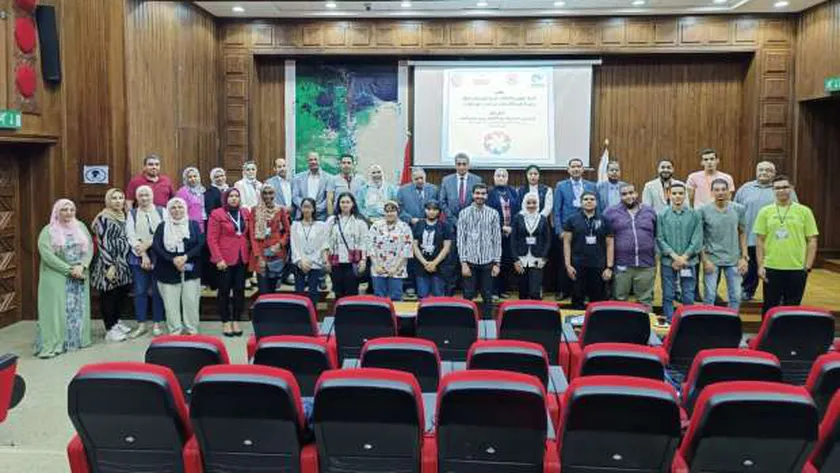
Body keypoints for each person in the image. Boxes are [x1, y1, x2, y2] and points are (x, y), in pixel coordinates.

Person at [34, 199, 93, 358]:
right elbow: (47, 256)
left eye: (71, 210)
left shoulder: (80, 227)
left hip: (79, 274)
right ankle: (54, 344)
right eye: (64, 210)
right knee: (55, 311)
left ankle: (76, 341)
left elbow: (90, 248)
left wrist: (82, 265)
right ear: (56, 212)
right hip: (56, 275)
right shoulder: (48, 231)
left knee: (77, 310)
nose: (68, 213)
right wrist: (68, 269)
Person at [735, 161, 798, 301]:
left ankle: (778, 294)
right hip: (751, 236)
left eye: (768, 170)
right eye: (761, 170)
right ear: (756, 171)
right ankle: (747, 290)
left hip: (776, 239)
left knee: (774, 269)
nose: (764, 172)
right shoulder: (745, 188)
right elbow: (736, 210)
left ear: (774, 173)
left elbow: (795, 210)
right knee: (751, 267)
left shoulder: (782, 189)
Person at [754, 175, 818, 315]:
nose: (781, 190)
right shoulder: (765, 212)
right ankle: (768, 336)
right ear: (773, 190)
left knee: (792, 307)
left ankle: (789, 336)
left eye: (784, 187)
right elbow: (759, 241)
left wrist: (807, 266)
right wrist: (760, 265)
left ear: (791, 189)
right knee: (770, 306)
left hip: (797, 268)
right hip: (772, 267)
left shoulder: (804, 211)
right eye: (777, 188)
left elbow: (812, 240)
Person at [152, 197, 204, 335]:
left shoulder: (193, 225)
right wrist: (173, 260)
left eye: (180, 207)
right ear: (168, 210)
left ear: (185, 209)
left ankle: (192, 330)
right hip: (167, 270)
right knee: (171, 305)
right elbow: (157, 247)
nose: (177, 210)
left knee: (191, 302)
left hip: (191, 269)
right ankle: (175, 330)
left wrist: (185, 257)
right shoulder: (162, 226)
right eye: (173, 208)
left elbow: (200, 244)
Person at [603, 184, 658, 308]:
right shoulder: (610, 212)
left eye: (631, 193)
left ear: (636, 193)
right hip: (622, 264)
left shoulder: (649, 211)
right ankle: (620, 327)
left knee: (645, 301)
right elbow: (605, 239)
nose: (628, 196)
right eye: (624, 194)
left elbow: (656, 234)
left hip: (646, 264)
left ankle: (644, 327)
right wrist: (608, 265)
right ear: (620, 196)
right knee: (619, 299)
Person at [90, 188, 133, 343]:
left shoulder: (123, 215)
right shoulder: (104, 218)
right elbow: (104, 243)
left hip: (122, 262)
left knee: (120, 293)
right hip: (109, 262)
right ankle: (109, 329)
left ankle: (116, 322)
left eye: (121, 198)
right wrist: (110, 265)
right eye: (114, 198)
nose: (118, 201)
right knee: (109, 296)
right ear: (108, 200)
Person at [656, 182, 703, 322]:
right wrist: (675, 257)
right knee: (668, 295)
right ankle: (670, 323)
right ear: (669, 195)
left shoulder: (695, 215)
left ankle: (687, 323)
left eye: (681, 193)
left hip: (689, 262)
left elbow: (697, 239)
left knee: (688, 294)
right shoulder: (662, 215)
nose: (677, 196)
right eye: (674, 193)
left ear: (685, 195)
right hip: (668, 262)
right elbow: (660, 238)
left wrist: (684, 258)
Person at [699, 179, 748, 311]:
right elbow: (700, 237)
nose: (720, 192)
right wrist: (704, 260)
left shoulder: (738, 209)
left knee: (736, 296)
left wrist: (744, 257)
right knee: (709, 296)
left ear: (728, 191)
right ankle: (708, 324)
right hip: (712, 259)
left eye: (723, 189)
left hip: (733, 259)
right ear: (712, 192)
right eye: (717, 190)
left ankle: (732, 323)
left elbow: (742, 233)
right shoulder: (703, 210)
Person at [208, 188, 251, 337]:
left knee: (239, 290)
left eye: (236, 196)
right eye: (231, 196)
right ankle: (226, 321)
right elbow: (211, 239)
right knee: (224, 291)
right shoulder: (217, 214)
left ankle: (236, 320)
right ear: (225, 198)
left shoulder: (245, 213)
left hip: (241, 258)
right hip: (224, 259)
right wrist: (218, 258)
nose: (234, 199)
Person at [438, 153, 482, 295]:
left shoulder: (477, 179)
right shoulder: (446, 180)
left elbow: (478, 201)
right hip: (451, 225)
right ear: (455, 165)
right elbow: (442, 202)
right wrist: (454, 220)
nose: (462, 167)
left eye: (464, 164)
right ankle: (449, 291)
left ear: (468, 165)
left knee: (469, 259)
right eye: (459, 164)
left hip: (471, 226)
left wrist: (465, 220)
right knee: (451, 259)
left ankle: (468, 291)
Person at [125, 185, 165, 337]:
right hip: (138, 256)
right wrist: (143, 254)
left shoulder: (162, 211)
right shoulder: (133, 214)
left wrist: (149, 243)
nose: (144, 198)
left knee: (157, 291)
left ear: (152, 196)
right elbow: (130, 235)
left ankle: (157, 324)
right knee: (140, 291)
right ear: (136, 198)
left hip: (159, 255)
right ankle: (141, 324)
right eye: (141, 195)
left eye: (147, 195)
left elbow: (164, 232)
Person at [554, 158, 597, 299]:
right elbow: (557, 210)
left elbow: (598, 208)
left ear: (583, 169)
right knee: (564, 261)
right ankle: (563, 290)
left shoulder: (591, 186)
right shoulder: (561, 186)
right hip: (567, 230)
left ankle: (584, 291)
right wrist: (559, 230)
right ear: (568, 170)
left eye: (579, 166)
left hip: (587, 229)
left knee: (584, 260)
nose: (576, 169)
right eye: (573, 166)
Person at [457, 183, 501, 319]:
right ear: (472, 195)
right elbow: (460, 239)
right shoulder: (463, 213)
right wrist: (463, 262)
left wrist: (497, 263)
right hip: (469, 260)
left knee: (488, 296)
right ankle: (467, 323)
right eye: (477, 193)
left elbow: (497, 239)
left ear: (486, 196)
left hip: (488, 261)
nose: (480, 196)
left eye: (483, 193)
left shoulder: (493, 213)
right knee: (468, 295)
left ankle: (488, 323)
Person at [564, 192, 614, 310]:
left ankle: (597, 327)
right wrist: (568, 265)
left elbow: (610, 244)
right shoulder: (572, 220)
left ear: (596, 203)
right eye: (585, 199)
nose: (589, 201)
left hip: (598, 266)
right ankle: (576, 327)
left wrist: (609, 267)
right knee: (577, 299)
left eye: (592, 199)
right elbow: (566, 243)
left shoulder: (605, 220)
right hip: (578, 266)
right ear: (581, 203)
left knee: (598, 302)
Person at [324, 192, 369, 299]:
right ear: (338, 204)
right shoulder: (332, 220)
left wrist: (363, 260)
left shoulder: (360, 221)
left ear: (353, 204)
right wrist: (326, 260)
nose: (345, 204)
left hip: (353, 262)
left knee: (351, 292)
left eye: (348, 202)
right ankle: (339, 314)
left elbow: (364, 242)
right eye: (342, 202)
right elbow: (325, 242)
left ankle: (351, 315)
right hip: (335, 261)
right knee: (338, 292)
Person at [368, 201, 413, 301]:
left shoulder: (404, 227)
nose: (390, 213)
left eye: (393, 211)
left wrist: (395, 267)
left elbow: (407, 249)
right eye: (387, 211)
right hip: (378, 268)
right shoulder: (376, 226)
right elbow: (370, 246)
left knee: (396, 298)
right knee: (379, 299)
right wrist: (376, 265)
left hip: (397, 269)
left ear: (398, 212)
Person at [250, 184, 291, 295]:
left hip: (276, 253)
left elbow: (288, 231)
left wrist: (280, 244)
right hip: (261, 253)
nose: (268, 196)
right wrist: (258, 256)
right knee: (263, 290)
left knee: (273, 290)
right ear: (261, 194)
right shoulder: (255, 210)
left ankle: (271, 311)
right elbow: (252, 235)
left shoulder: (280, 210)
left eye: (270, 193)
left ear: (274, 194)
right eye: (265, 193)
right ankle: (263, 311)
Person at [511, 192, 552, 300]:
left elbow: (547, 240)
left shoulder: (542, 218)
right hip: (521, 259)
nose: (531, 205)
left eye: (534, 203)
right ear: (524, 203)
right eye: (528, 203)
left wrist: (543, 257)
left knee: (535, 292)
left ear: (538, 204)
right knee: (523, 292)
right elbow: (513, 240)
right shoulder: (517, 218)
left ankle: (536, 316)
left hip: (537, 259)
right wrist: (515, 260)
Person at [487, 168, 520, 299]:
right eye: (498, 175)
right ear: (494, 178)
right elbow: (488, 213)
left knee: (506, 261)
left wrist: (511, 227)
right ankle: (493, 290)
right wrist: (501, 227)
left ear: (507, 178)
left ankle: (502, 289)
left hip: (510, 233)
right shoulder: (489, 192)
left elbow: (517, 211)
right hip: (494, 233)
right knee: (495, 261)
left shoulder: (513, 192)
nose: (501, 178)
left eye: (503, 176)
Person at [291, 197, 328, 306]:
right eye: (304, 207)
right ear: (301, 209)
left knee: (313, 292)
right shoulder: (295, 225)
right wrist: (300, 260)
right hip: (300, 263)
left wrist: (311, 261)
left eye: (309, 207)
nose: (306, 210)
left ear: (313, 209)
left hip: (314, 263)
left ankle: (313, 317)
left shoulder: (320, 225)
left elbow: (322, 244)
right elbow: (294, 245)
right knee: (299, 292)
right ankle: (300, 320)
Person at [412, 200, 452, 298]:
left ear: (439, 211)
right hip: (421, 266)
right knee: (422, 296)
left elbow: (446, 247)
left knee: (438, 296)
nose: (431, 212)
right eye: (429, 209)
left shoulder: (445, 225)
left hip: (439, 267)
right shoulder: (418, 224)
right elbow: (414, 245)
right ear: (425, 210)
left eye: (434, 209)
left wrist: (434, 263)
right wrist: (425, 263)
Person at [203, 168, 228, 289]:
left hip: (228, 230)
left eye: (222, 175)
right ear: (212, 179)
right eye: (217, 176)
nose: (220, 178)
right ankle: (215, 284)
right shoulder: (209, 192)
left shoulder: (229, 190)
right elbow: (210, 211)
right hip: (216, 227)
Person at [293, 151, 331, 221]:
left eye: (315, 159)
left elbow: (328, 199)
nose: (313, 162)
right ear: (307, 162)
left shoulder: (328, 178)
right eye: (311, 160)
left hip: (320, 217)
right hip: (302, 217)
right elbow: (295, 197)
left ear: (320, 161)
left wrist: (315, 209)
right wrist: (306, 207)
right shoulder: (298, 178)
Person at [176, 166, 207, 232]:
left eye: (195, 176)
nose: (193, 179)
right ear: (185, 179)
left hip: (204, 223)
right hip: (190, 225)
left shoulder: (203, 190)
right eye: (190, 177)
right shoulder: (182, 192)